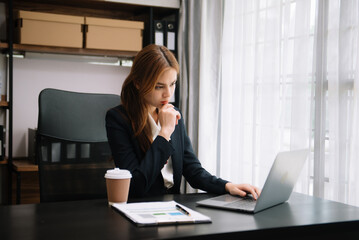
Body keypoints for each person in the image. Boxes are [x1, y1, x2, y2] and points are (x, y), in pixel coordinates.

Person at [106, 44, 261, 199]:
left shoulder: (174, 114)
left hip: (173, 206)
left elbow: (192, 170)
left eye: (172, 84)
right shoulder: (118, 119)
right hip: (140, 208)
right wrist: (165, 132)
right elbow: (135, 187)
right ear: (138, 83)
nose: (168, 94)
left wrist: (227, 186)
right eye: (159, 86)